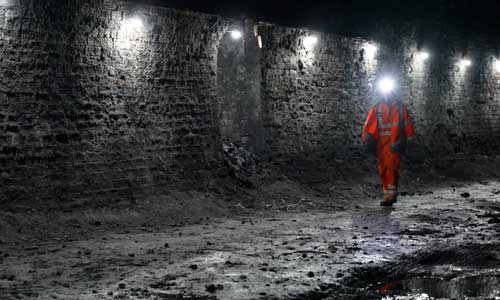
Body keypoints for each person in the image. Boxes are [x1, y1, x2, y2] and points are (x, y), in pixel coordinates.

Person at [362, 77, 415, 207]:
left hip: (395, 144)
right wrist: (366, 140)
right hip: (381, 145)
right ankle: (388, 194)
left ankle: (391, 196)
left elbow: (407, 124)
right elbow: (369, 125)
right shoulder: (377, 108)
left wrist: (408, 139)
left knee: (392, 169)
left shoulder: (400, 108)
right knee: (384, 169)